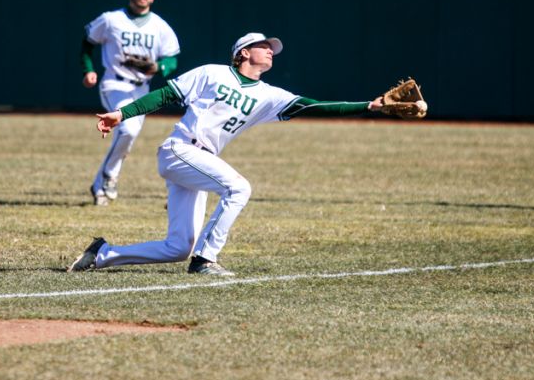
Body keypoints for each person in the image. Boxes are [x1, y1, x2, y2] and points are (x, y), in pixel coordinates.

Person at [68, 32, 385, 276]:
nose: (270, 51)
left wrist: (369, 105)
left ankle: (102, 253)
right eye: (264, 46)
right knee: (239, 187)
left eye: (272, 48)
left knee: (177, 247)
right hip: (180, 149)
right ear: (244, 52)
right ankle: (206, 260)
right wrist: (122, 115)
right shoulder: (212, 73)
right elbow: (165, 95)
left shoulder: (268, 95)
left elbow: (314, 106)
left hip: (198, 161)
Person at [80, 0, 180, 206]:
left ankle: (100, 186)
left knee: (127, 134)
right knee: (128, 131)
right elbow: (87, 42)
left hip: (141, 89)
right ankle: (108, 178)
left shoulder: (160, 26)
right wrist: (88, 69)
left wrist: (158, 67)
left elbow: (172, 59)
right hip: (114, 83)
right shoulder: (111, 19)